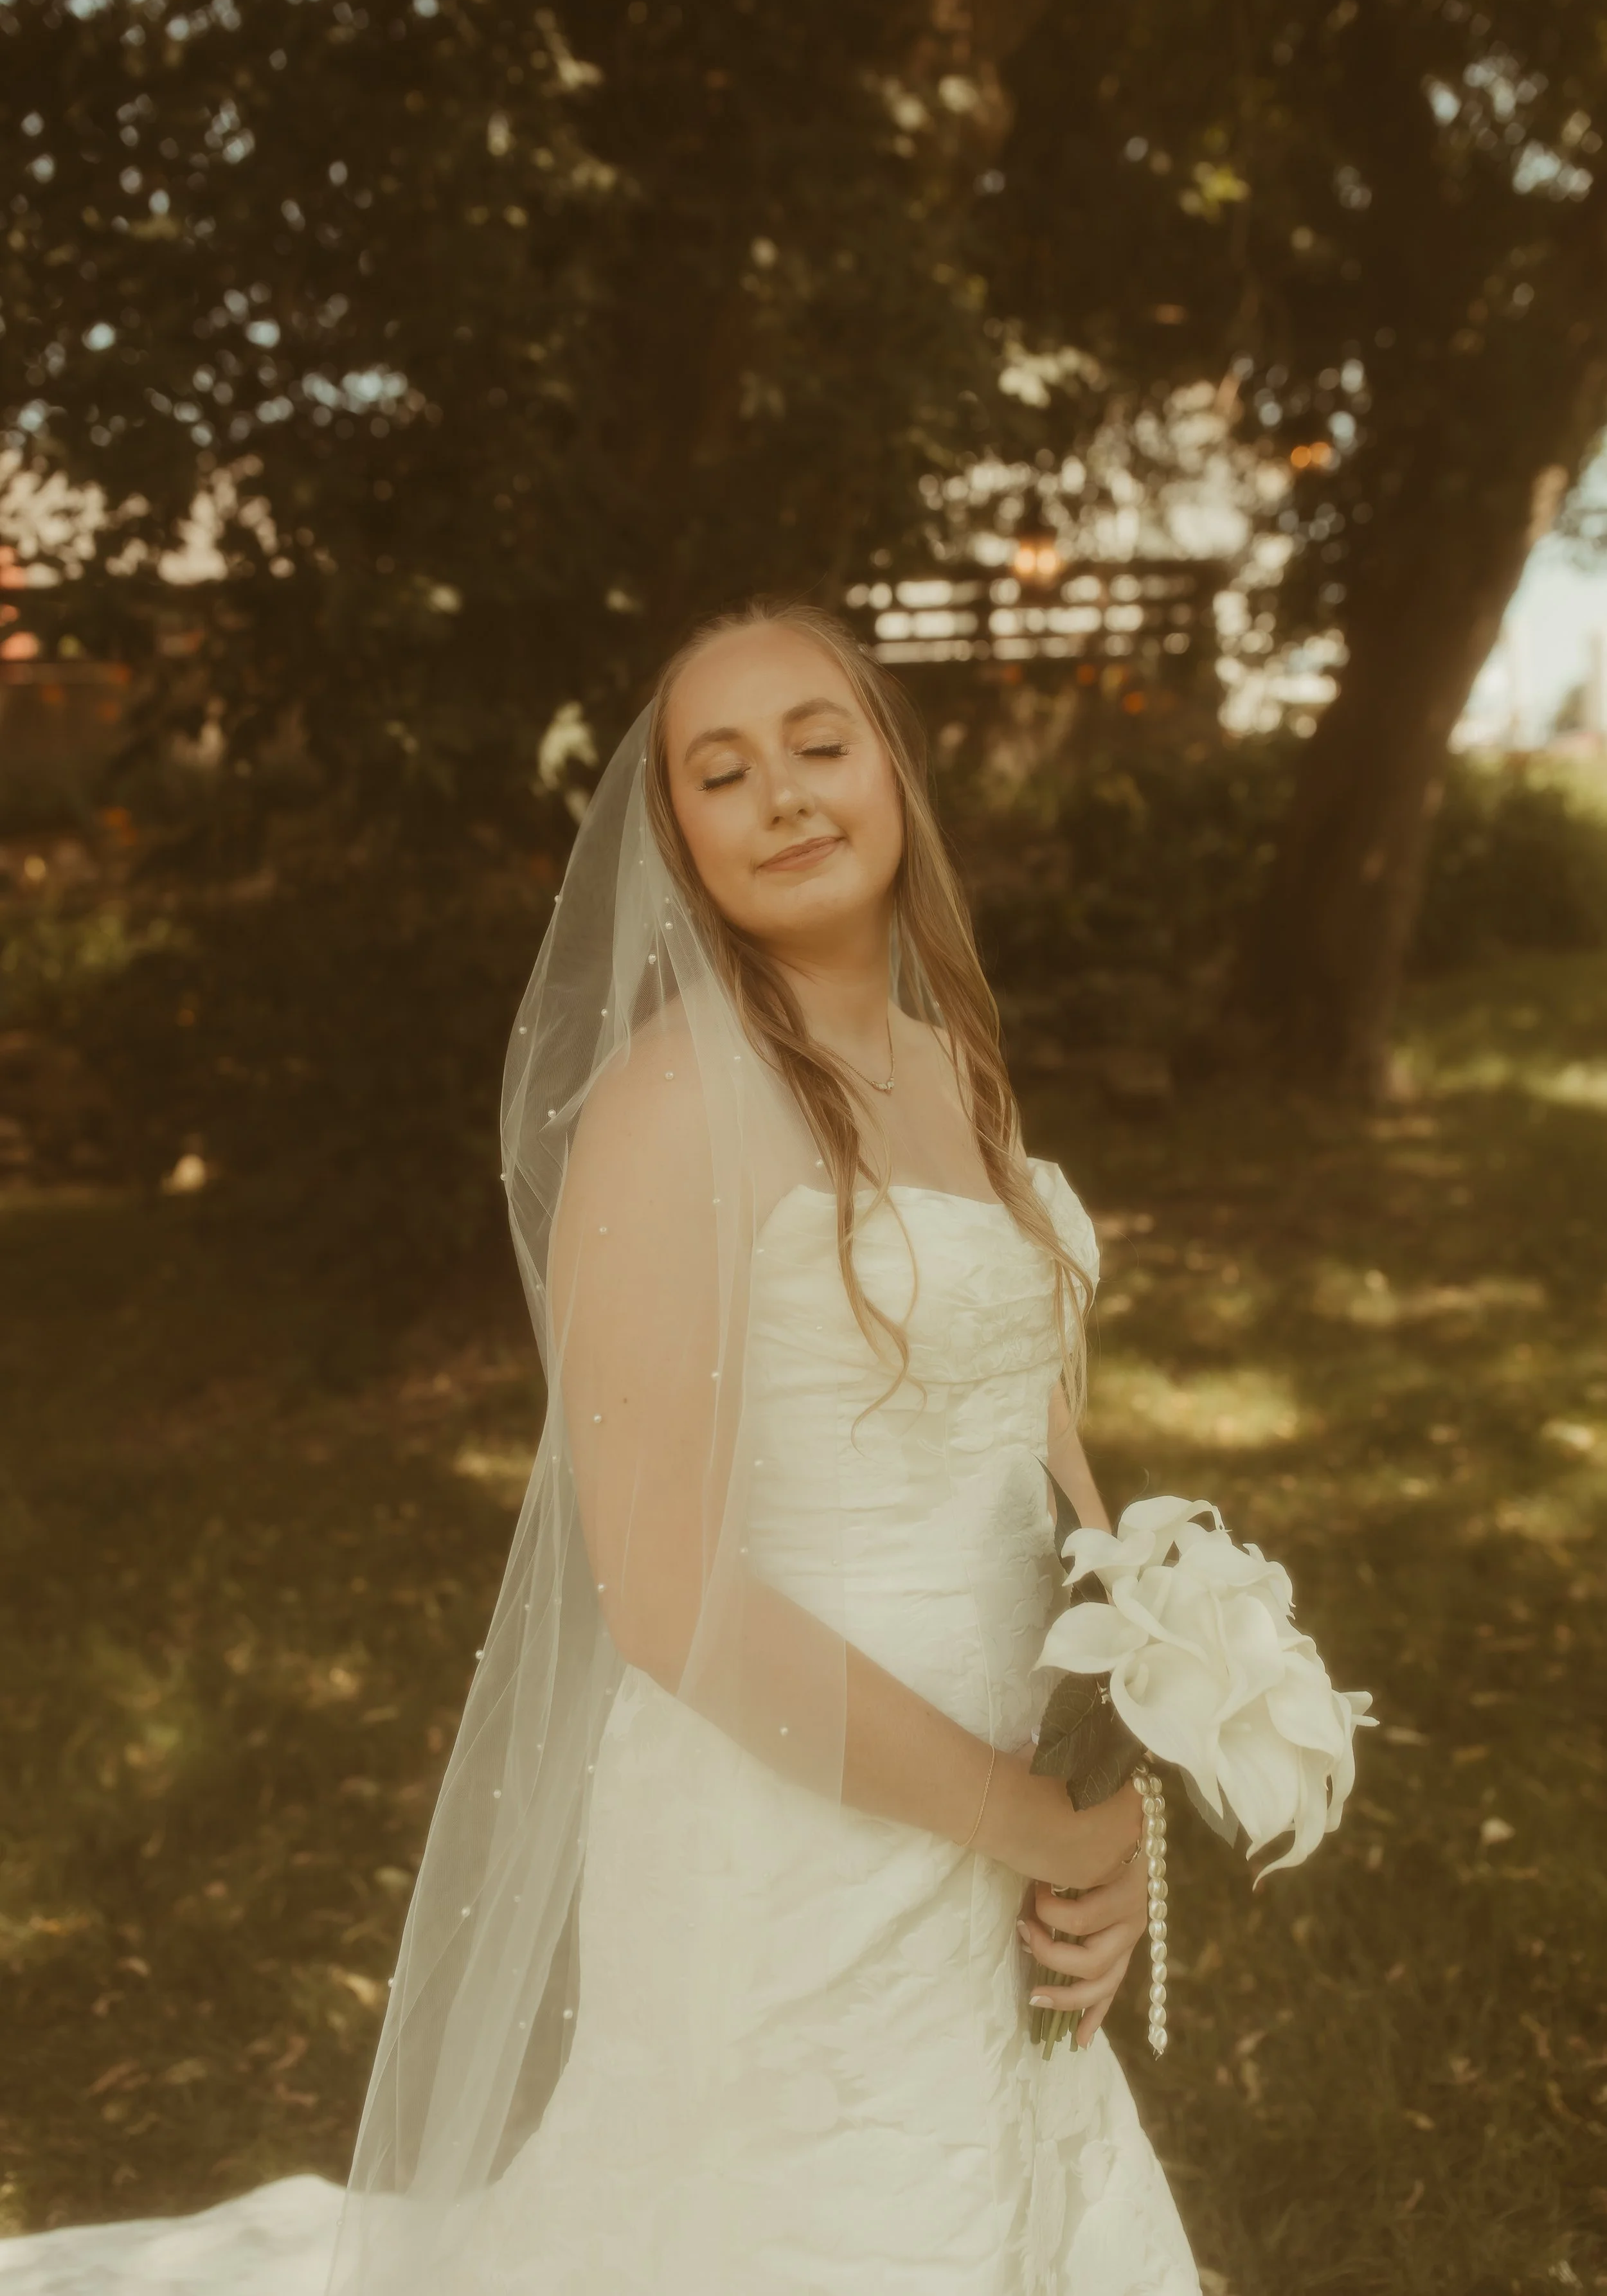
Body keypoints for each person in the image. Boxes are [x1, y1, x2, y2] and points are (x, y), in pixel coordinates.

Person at [319, 600, 1198, 2295]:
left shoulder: (955, 1073)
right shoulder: (671, 1112)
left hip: (1013, 1773)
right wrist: (1028, 1816)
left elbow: (1046, 1455)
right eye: (721, 772)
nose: (782, 793)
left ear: (891, 773)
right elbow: (663, 1598)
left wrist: (1118, 1782)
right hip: (786, 1808)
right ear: (678, 841)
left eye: (818, 741)